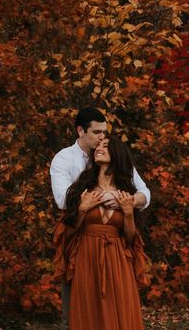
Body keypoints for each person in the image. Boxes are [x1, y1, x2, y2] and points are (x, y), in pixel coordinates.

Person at [50, 107, 150, 330]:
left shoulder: (120, 170)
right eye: (97, 133)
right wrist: (89, 204)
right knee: (77, 316)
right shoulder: (65, 160)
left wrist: (128, 204)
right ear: (81, 131)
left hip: (116, 256)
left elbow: (145, 194)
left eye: (105, 134)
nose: (102, 138)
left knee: (119, 314)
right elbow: (62, 201)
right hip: (82, 251)